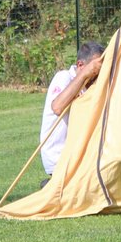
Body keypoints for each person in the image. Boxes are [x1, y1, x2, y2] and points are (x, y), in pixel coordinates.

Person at [40, 41, 104, 177]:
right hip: (60, 158)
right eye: (95, 70)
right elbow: (57, 107)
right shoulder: (64, 77)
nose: (97, 74)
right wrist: (85, 74)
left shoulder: (92, 85)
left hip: (80, 157)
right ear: (80, 65)